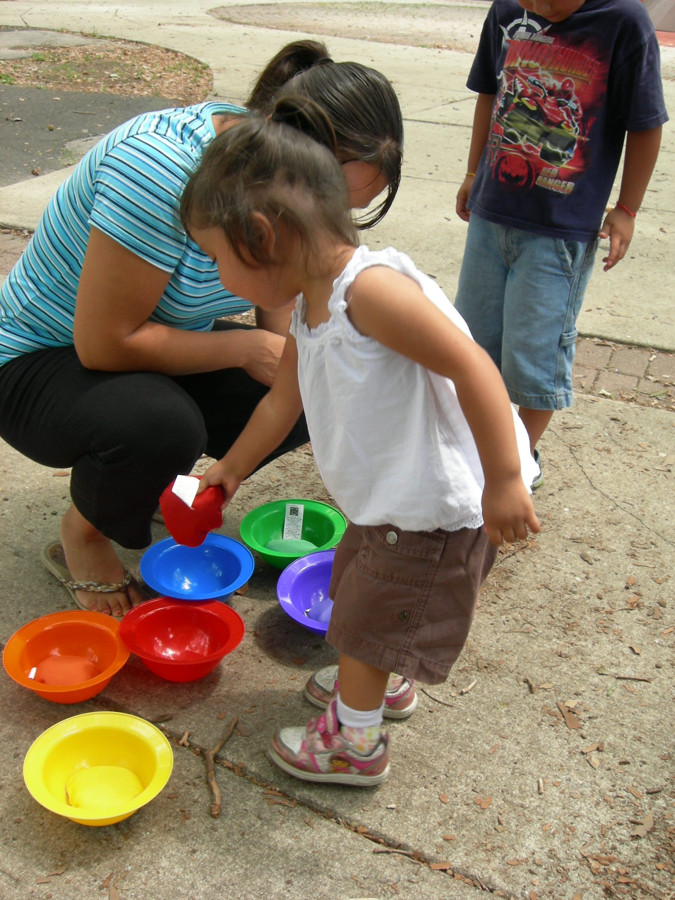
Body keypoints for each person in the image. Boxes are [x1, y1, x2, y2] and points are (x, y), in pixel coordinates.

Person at [183, 102, 541, 786]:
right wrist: (228, 469)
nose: (215, 274)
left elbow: (472, 366)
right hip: (390, 505)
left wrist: (502, 478)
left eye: (214, 256)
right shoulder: (310, 305)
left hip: (431, 511)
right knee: (361, 598)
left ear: (261, 235)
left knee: (368, 618)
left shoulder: (369, 294)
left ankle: (354, 745)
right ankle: (381, 684)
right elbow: (283, 398)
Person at [0, 40, 403, 617]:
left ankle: (151, 485)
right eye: (328, 204)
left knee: (307, 386)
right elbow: (103, 342)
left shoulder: (268, 183)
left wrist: (293, 367)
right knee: (160, 424)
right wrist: (245, 346)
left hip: (152, 342)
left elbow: (292, 321)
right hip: (41, 356)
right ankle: (84, 534)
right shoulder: (160, 169)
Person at [454, 0, 668, 487]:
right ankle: (476, 454)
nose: (535, 7)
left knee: (534, 362)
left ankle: (514, 464)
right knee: (470, 347)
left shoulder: (624, 23)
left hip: (559, 233)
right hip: (491, 216)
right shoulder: (508, 11)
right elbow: (489, 92)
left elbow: (647, 123)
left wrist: (626, 210)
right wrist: (471, 172)